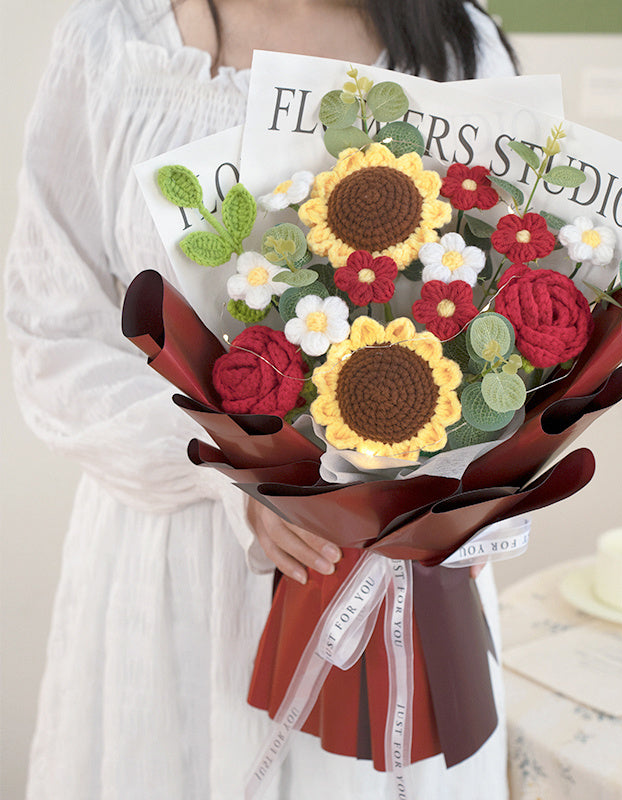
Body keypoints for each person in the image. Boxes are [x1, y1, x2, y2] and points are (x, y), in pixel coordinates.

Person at [5, 1, 518, 797]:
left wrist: (409, 474)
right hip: (170, 555)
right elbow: (47, 328)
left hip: (386, 567)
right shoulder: (113, 40)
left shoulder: (459, 45)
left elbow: (509, 304)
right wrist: (231, 473)